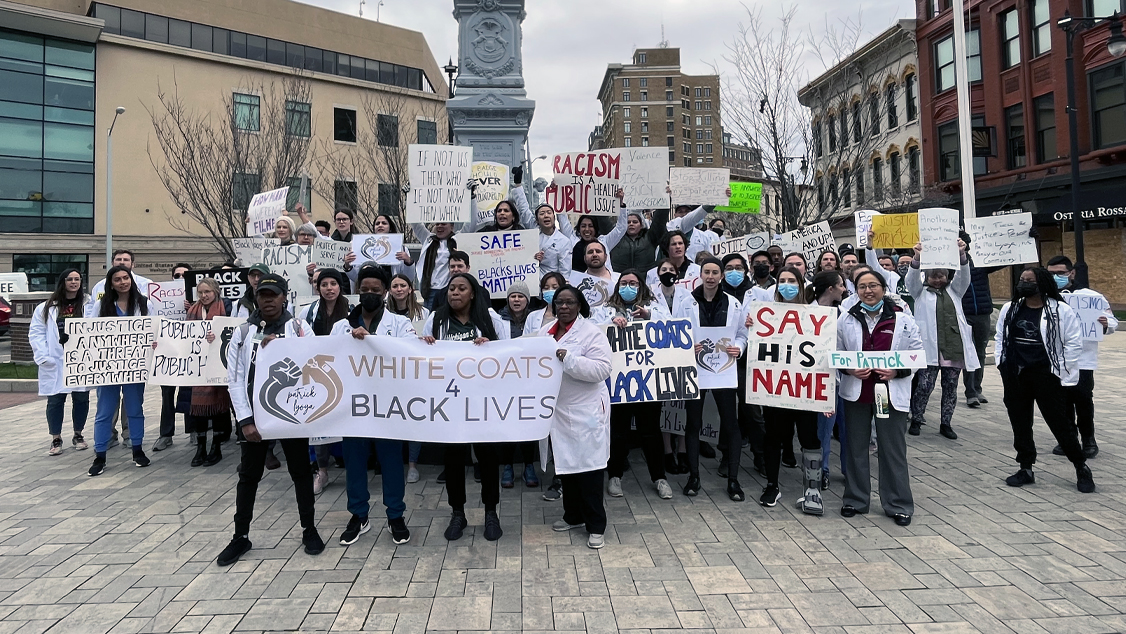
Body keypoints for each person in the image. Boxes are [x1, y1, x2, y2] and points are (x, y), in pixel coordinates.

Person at [217, 273, 324, 566]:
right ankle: (240, 537)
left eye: (273, 294)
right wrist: (245, 421)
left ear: (284, 297)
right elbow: (235, 380)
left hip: (290, 414)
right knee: (248, 476)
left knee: (301, 472)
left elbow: (314, 361)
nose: (268, 300)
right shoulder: (242, 334)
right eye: (262, 295)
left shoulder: (300, 328)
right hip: (255, 417)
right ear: (256, 298)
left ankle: (309, 529)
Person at [330, 266, 415, 546]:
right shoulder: (341, 327)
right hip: (353, 406)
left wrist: (375, 341)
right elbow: (329, 358)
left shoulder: (400, 324)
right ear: (357, 292)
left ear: (385, 292)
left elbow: (410, 355)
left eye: (375, 290)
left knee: (391, 461)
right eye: (364, 290)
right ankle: (359, 515)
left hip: (388, 404)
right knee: (355, 462)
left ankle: (395, 515)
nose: (369, 294)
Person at [421, 273, 510, 541]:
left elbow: (508, 357)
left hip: (483, 403)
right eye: (451, 288)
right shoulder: (435, 319)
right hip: (450, 404)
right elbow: (419, 359)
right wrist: (424, 347)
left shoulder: (492, 320)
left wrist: (491, 348)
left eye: (461, 288)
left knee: (488, 459)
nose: (455, 293)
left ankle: (491, 512)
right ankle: (457, 513)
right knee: (454, 460)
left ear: (473, 293)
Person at [837, 269, 923, 526]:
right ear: (856, 291)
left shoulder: (903, 319)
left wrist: (898, 371)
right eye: (862, 287)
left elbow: (918, 353)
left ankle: (898, 504)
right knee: (855, 448)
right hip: (857, 391)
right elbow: (836, 352)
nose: (868, 291)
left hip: (889, 391)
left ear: (884, 288)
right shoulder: (846, 319)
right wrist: (849, 369)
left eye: (873, 285)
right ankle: (855, 499)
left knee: (892, 449)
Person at [996, 267, 1094, 493]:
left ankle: (1080, 466)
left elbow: (1073, 343)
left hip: (1047, 374)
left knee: (1060, 423)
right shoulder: (1010, 308)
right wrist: (1003, 364)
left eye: (1029, 281)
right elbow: (1001, 336)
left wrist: (1062, 372)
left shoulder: (1060, 310)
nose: (1024, 284)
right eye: (1021, 280)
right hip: (1015, 374)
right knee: (1020, 423)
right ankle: (1026, 467)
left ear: (1042, 284)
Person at [542, 285, 614, 549]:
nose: (563, 306)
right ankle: (572, 516)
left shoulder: (591, 333)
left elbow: (602, 370)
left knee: (590, 469)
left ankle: (596, 525)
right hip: (558, 412)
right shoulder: (545, 333)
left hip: (586, 411)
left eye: (569, 302)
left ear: (579, 305)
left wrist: (568, 358)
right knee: (567, 468)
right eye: (559, 302)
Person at [675, 257, 747, 501]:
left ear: (722, 276)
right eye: (707, 272)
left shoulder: (734, 304)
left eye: (716, 272)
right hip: (696, 370)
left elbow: (742, 333)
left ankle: (734, 480)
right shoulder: (686, 302)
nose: (711, 276)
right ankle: (694, 477)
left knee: (731, 424)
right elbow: (676, 333)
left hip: (725, 370)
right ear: (701, 274)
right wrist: (687, 347)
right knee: (693, 424)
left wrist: (739, 347)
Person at [757, 267, 824, 514]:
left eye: (792, 281)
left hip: (805, 390)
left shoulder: (816, 315)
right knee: (773, 437)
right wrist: (753, 326)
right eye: (782, 281)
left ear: (801, 284)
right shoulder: (768, 315)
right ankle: (772, 485)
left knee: (809, 438)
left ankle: (812, 489)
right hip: (776, 388)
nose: (786, 285)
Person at [605, 270, 673, 500]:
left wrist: (649, 316)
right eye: (624, 283)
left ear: (641, 286)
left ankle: (659, 477)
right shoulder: (604, 310)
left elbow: (672, 328)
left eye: (633, 283)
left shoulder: (656, 307)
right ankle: (614, 475)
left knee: (651, 431)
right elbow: (594, 330)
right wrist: (611, 322)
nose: (628, 287)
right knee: (618, 431)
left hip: (648, 384)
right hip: (619, 384)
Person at [86, 266, 156, 476]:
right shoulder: (102, 304)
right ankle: (100, 455)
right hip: (108, 367)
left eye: (126, 278)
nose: (123, 282)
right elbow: (88, 331)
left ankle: (137, 449)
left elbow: (155, 330)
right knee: (105, 411)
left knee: (135, 408)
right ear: (111, 283)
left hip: (135, 365)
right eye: (117, 279)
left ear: (131, 280)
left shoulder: (145, 303)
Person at [905, 238, 978, 440]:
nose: (937, 280)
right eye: (933, 276)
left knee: (951, 387)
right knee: (924, 386)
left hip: (952, 349)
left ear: (948, 276)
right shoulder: (919, 292)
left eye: (941, 276)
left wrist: (962, 255)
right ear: (926, 277)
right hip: (929, 349)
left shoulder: (955, 291)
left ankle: (946, 422)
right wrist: (917, 258)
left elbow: (964, 277)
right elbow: (910, 281)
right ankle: (917, 419)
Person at [1047, 255, 1116, 458]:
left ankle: (1089, 440)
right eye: (1051, 274)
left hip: (1082, 360)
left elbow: (1111, 321)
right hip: (1055, 359)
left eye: (1060, 273)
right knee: (1061, 402)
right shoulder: (1045, 296)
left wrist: (1106, 323)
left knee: (1083, 400)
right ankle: (1068, 439)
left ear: (1072, 273)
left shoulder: (1091, 297)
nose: (1056, 277)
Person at [298, 268, 351, 493]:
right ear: (317, 288)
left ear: (340, 286)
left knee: (346, 420)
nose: (329, 288)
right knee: (318, 420)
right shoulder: (307, 312)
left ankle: (351, 468)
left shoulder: (352, 310)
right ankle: (322, 470)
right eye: (324, 284)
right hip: (317, 373)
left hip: (346, 372)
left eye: (333, 284)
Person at [30, 268, 90, 456]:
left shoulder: (89, 304)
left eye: (77, 279)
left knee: (81, 398)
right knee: (56, 400)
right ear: (62, 281)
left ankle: (78, 434)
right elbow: (36, 332)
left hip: (81, 358)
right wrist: (43, 356)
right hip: (56, 360)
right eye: (70, 279)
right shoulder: (46, 307)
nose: (74, 282)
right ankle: (56, 438)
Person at [720, 253, 766, 476]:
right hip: (724, 360)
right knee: (726, 412)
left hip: (751, 360)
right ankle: (727, 456)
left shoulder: (759, 294)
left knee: (752, 411)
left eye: (738, 267)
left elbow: (774, 323)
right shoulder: (716, 294)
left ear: (747, 270)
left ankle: (760, 455)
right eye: (729, 268)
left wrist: (759, 323)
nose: (734, 272)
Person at [182, 278, 230, 467]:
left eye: (207, 292)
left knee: (217, 407)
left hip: (217, 362)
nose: (204, 296)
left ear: (216, 291)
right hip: (197, 364)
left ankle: (216, 447)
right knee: (198, 408)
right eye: (200, 292)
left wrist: (216, 336)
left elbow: (230, 331)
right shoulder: (193, 310)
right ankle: (200, 447)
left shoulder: (226, 307)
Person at [499, 281, 540, 488]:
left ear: (527, 300)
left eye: (521, 296)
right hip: (504, 381)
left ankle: (528, 465)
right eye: (513, 296)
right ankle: (507, 465)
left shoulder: (535, 320)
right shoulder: (498, 319)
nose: (516, 300)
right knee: (507, 425)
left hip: (528, 381)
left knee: (527, 425)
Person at [811, 271, 847, 490]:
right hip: (822, 379)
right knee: (824, 429)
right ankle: (822, 469)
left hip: (845, 378)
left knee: (846, 427)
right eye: (841, 285)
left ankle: (847, 469)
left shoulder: (844, 314)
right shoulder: (807, 313)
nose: (844, 289)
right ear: (830, 289)